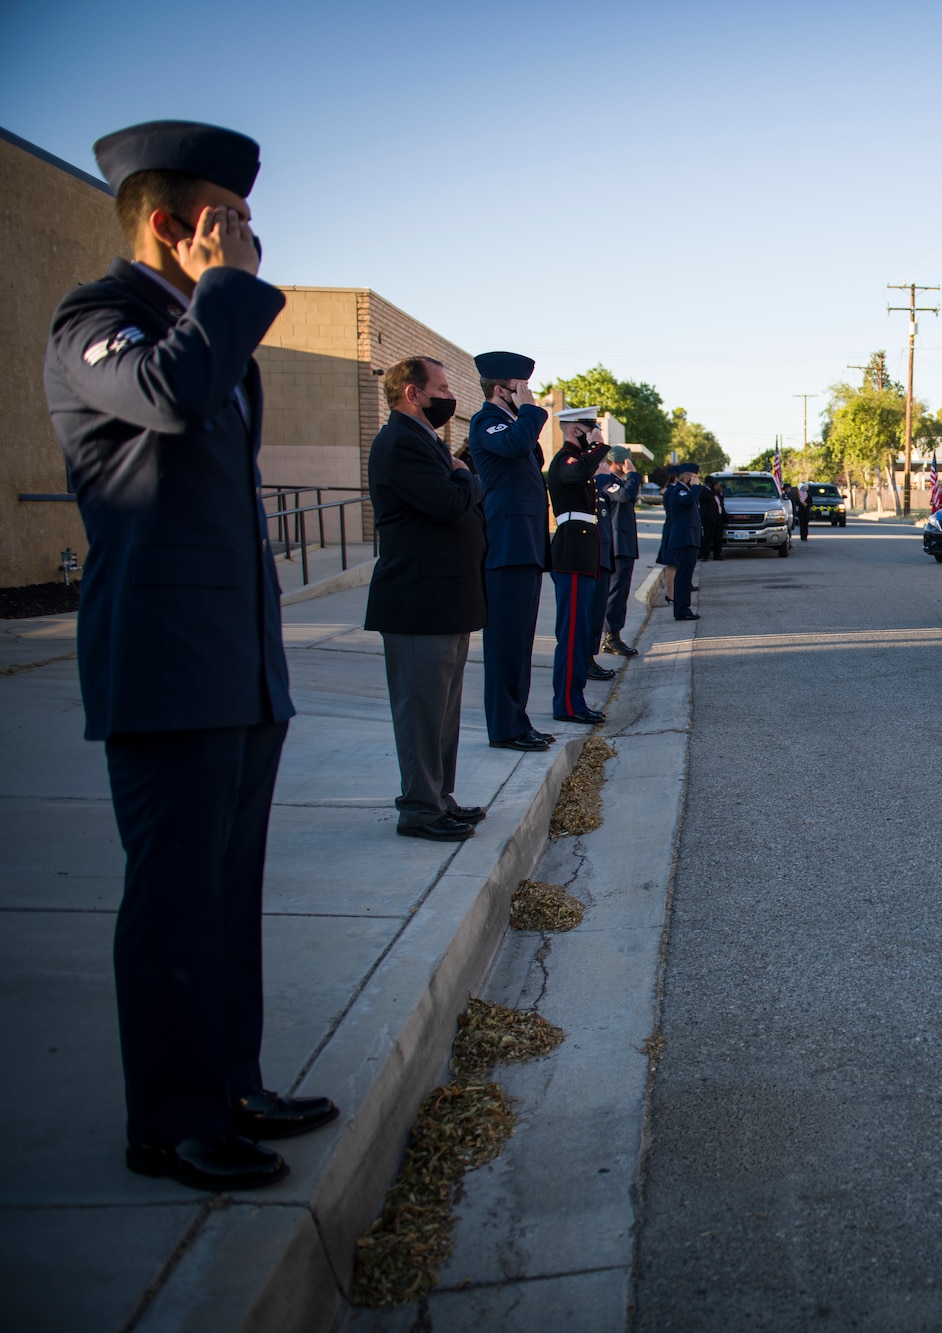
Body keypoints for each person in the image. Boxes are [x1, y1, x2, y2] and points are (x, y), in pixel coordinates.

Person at [44, 119, 337, 1192]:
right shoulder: (100, 321)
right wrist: (223, 288)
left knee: (227, 889)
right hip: (163, 659)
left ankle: (232, 1079)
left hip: (235, 657)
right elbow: (170, 398)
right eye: (235, 221)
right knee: (171, 898)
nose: (252, 242)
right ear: (175, 225)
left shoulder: (204, 331)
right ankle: (169, 1118)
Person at [363, 357, 487, 843]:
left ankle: (439, 798)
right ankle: (418, 808)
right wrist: (464, 477)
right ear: (413, 393)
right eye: (440, 387)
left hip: (446, 598)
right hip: (419, 600)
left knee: (442, 715)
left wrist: (459, 474)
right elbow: (448, 502)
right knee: (421, 713)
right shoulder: (399, 442)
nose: (447, 396)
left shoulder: (423, 441)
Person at [467, 352, 551, 753]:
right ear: (503, 390)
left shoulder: (514, 425)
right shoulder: (486, 422)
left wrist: (526, 416)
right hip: (506, 546)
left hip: (525, 545)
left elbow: (529, 453)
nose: (531, 395)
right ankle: (504, 727)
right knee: (504, 644)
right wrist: (531, 413)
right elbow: (518, 448)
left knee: (520, 644)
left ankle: (518, 721)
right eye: (524, 388)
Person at [547, 421, 611, 722]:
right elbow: (580, 471)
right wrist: (599, 447)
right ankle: (568, 704)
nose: (594, 436)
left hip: (582, 553)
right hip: (572, 552)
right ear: (575, 429)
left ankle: (575, 699)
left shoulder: (577, 460)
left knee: (580, 630)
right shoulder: (565, 460)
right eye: (590, 430)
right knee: (571, 634)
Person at [593, 454, 642, 656]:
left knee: (621, 592)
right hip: (616, 544)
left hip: (625, 543)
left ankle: (614, 633)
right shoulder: (609, 481)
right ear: (619, 462)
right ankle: (610, 637)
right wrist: (633, 474)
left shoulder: (618, 481)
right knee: (614, 593)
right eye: (626, 461)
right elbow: (624, 496)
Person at [658, 463, 704, 620]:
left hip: (688, 540)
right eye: (694, 477)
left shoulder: (685, 490)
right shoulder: (679, 490)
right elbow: (688, 500)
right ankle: (682, 610)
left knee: (685, 577)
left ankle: (683, 608)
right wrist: (696, 487)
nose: (697, 480)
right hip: (683, 540)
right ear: (687, 477)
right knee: (683, 578)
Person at [699, 477, 726, 561]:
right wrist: (716, 490)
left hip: (718, 518)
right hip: (709, 518)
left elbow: (720, 500)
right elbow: (709, 497)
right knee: (708, 537)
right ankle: (705, 555)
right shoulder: (703, 491)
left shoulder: (714, 492)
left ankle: (717, 554)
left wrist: (720, 492)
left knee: (718, 537)